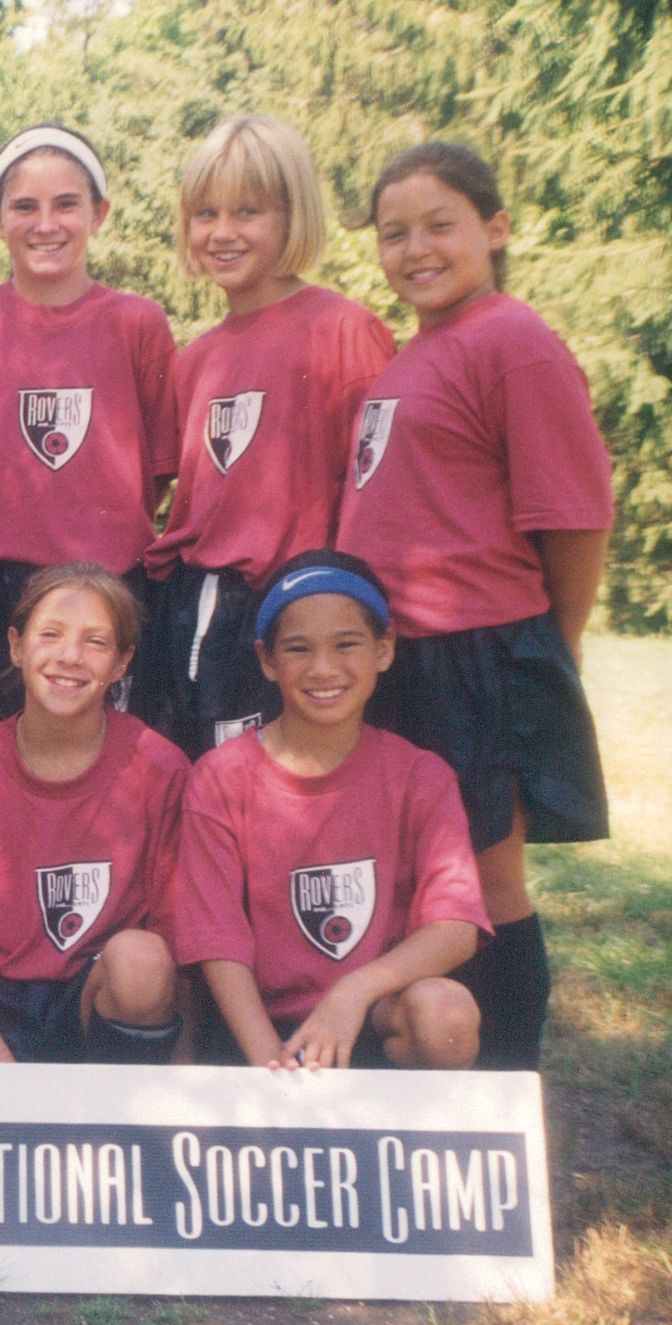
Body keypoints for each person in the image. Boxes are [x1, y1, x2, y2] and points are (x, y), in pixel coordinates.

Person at [337, 142, 612, 1070]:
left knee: (484, 889)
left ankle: (506, 1090)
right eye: (394, 233)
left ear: (495, 228)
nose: (416, 249)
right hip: (397, 654)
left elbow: (574, 516)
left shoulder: (513, 340)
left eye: (439, 225)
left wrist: (551, 646)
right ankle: (420, 1076)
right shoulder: (418, 350)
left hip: (476, 651)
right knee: (415, 888)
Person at [135, 114, 395, 759]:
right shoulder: (196, 358)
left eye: (247, 212)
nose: (222, 233)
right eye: (206, 214)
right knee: (189, 788)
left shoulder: (344, 331)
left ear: (291, 215)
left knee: (281, 795)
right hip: (193, 610)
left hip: (293, 612)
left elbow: (379, 498)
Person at [174, 551, 488, 1070]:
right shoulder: (221, 777)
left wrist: (354, 991)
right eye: (298, 648)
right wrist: (270, 1064)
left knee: (446, 1014)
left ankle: (399, 1122)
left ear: (383, 649)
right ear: (267, 660)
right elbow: (216, 937)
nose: (323, 668)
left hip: (371, 1012)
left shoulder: (421, 776)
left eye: (346, 644)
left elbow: (456, 927)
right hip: (258, 1029)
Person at [0, 125, 177, 742]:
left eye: (66, 204)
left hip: (104, 581)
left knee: (103, 755)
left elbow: (162, 465)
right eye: (25, 206)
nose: (46, 224)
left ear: (98, 214)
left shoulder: (137, 323)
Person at [0, 564, 188, 1063]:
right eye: (50, 634)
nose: (69, 657)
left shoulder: (160, 770)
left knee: (142, 961)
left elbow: (179, 939)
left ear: (122, 662)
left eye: (95, 642)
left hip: (94, 1000)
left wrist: (183, 1071)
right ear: (16, 646)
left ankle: (114, 1104)